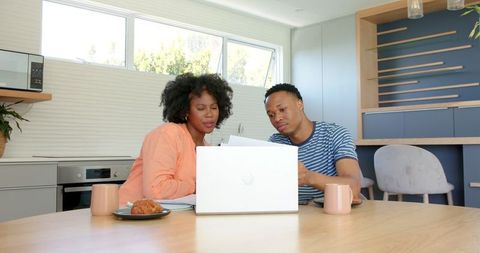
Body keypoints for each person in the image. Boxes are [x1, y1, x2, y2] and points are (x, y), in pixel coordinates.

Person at [119, 73, 233, 206]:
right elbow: (156, 190)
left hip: (169, 219)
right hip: (128, 217)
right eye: (201, 108)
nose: (209, 114)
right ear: (185, 111)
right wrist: (196, 187)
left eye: (214, 107)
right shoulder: (167, 134)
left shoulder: (208, 149)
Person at [264, 83, 361, 204]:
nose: (277, 119)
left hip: (331, 214)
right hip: (295, 216)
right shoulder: (275, 143)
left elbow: (353, 187)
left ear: (300, 104)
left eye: (282, 109)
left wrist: (308, 177)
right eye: (271, 115)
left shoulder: (335, 135)